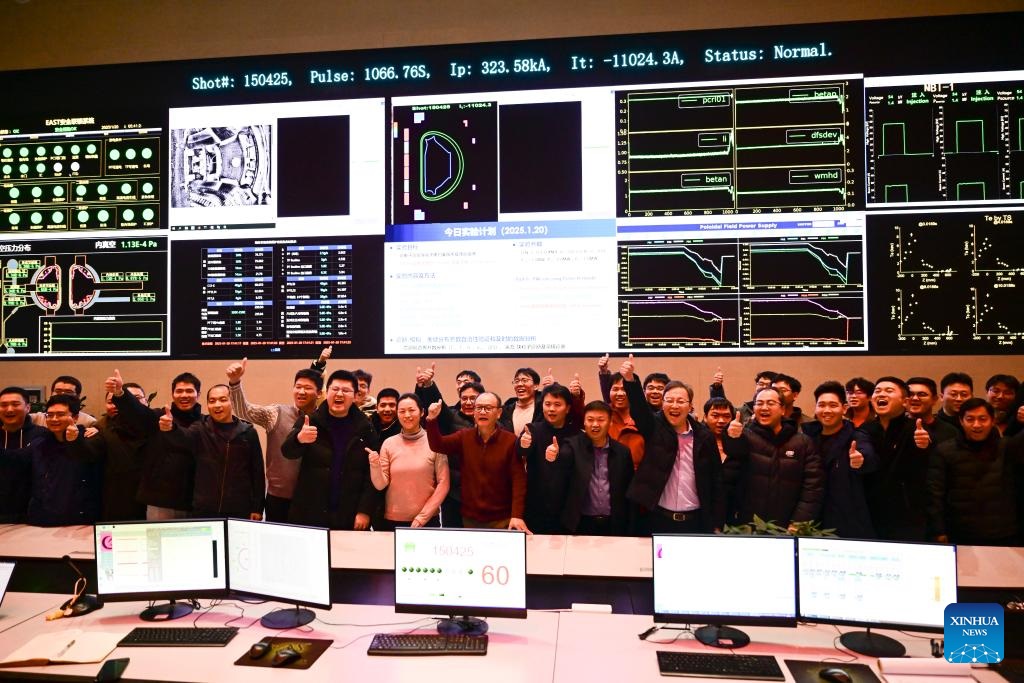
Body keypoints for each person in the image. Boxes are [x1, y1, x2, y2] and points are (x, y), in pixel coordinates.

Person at [620, 356, 724, 534]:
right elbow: (639, 410)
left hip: (695, 521)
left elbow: (717, 480)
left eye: (680, 401)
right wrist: (630, 380)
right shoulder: (654, 427)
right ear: (662, 404)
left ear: (690, 406)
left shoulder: (704, 436)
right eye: (669, 400)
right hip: (658, 519)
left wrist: (717, 523)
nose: (674, 405)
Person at [282, 369, 380, 530]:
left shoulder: (365, 428)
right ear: (327, 393)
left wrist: (364, 510)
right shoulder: (310, 421)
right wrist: (299, 439)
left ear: (355, 396)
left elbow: (372, 474)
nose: (339, 394)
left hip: (348, 512)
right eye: (335, 389)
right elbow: (287, 452)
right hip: (310, 510)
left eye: (346, 390)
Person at [227, 359, 322, 523]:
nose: (301, 391)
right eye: (298, 387)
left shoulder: (324, 419)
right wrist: (235, 382)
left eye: (307, 388)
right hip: (278, 499)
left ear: (319, 393)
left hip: (312, 499)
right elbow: (244, 411)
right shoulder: (276, 413)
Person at [159, 384, 264, 520]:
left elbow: (257, 472)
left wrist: (257, 507)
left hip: (239, 508)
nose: (217, 405)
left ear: (232, 402)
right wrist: (171, 428)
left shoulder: (248, 432)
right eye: (212, 401)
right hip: (204, 508)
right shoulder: (200, 427)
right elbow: (183, 437)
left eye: (223, 400)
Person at [426, 392, 528, 531]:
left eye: (488, 408)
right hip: (470, 517)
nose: (482, 412)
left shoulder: (510, 441)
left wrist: (517, 515)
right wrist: (431, 420)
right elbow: (437, 445)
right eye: (479, 408)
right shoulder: (464, 436)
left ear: (499, 413)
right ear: (474, 412)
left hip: (502, 518)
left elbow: (519, 480)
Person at [724, 387, 823, 528]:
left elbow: (813, 487)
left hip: (789, 527)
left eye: (770, 403)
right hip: (748, 527)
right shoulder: (744, 437)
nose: (764, 407)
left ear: (782, 409)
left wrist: (799, 523)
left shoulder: (803, 442)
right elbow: (730, 470)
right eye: (759, 403)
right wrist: (732, 438)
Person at [928, 398, 1022, 546]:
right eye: (970, 419)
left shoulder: (1008, 447)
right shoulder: (945, 451)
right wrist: (938, 530)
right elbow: (935, 493)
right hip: (960, 532)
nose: (976, 425)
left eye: (982, 419)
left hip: (1004, 532)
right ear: (961, 421)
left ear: (992, 421)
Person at [114, 371, 202, 520]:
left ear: (198, 394)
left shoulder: (204, 422)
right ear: (173, 394)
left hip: (195, 500)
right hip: (161, 501)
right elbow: (138, 412)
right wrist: (120, 394)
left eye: (189, 391)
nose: (184, 395)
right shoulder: (158, 416)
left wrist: (172, 429)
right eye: (179, 391)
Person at [70, 371, 150, 521]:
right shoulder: (101, 430)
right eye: (112, 401)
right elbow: (87, 453)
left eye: (136, 399)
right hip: (119, 503)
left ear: (147, 402)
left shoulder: (159, 425)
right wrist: (73, 440)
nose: (120, 405)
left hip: (155, 502)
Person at [801, 381, 877, 538]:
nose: (827, 410)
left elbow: (868, 455)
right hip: (812, 518)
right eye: (821, 405)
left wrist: (860, 460)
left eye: (833, 405)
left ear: (844, 408)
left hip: (846, 518)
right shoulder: (806, 438)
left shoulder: (856, 435)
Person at [861, 376, 933, 541]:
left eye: (889, 391)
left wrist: (924, 444)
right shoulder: (866, 429)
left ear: (905, 402)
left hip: (907, 517)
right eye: (877, 391)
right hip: (869, 514)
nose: (881, 394)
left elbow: (927, 453)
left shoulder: (917, 429)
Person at [368, 393, 449, 530]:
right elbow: (381, 484)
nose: (407, 415)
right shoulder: (389, 443)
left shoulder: (434, 441)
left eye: (411, 410)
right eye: (402, 411)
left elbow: (444, 483)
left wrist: (422, 517)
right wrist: (375, 465)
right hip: (392, 520)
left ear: (422, 412)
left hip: (427, 521)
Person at [555, 401, 635, 536]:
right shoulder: (572, 447)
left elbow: (629, 492)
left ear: (610, 422)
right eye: (590, 420)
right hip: (581, 524)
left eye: (601, 420)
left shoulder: (623, 452)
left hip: (614, 524)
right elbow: (560, 477)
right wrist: (554, 457)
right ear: (584, 422)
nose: (595, 424)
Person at [24, 395, 102, 526]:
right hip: (43, 521)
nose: (54, 419)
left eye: (60, 414)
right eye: (50, 415)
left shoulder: (90, 439)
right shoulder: (39, 443)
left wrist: (74, 441)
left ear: (75, 417)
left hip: (81, 522)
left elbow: (89, 461)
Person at [517, 384, 581, 534]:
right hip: (536, 506)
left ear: (568, 408)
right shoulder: (532, 429)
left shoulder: (576, 433)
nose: (551, 409)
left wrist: (559, 456)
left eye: (557, 405)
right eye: (547, 404)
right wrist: (523, 444)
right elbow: (521, 451)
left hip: (567, 507)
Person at [0, 386, 46, 523]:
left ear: (28, 408)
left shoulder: (42, 434)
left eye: (15, 404)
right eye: (3, 405)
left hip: (31, 516)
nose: (9, 409)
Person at [30, 375, 97, 428]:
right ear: (51, 394)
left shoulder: (89, 422)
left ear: (78, 396)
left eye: (68, 392)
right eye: (58, 391)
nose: (62, 395)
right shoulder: (37, 419)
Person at [500, 368, 542, 434]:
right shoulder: (505, 410)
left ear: (535, 386)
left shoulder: (542, 409)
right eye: (516, 381)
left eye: (524, 380)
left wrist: (551, 388)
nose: (519, 384)